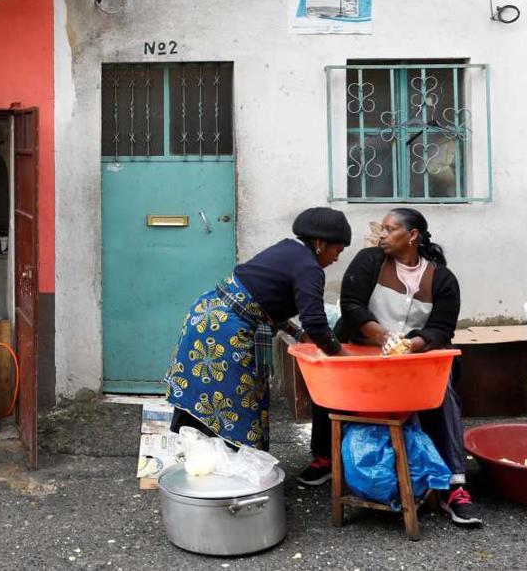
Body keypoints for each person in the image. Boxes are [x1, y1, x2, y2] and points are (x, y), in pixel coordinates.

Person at [296, 208, 481, 527]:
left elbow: (442, 327)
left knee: (443, 391)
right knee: (330, 383)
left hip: (415, 356)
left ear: (412, 236)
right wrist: (383, 337)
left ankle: (454, 484)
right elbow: (351, 306)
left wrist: (413, 345)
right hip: (362, 347)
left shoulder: (442, 278)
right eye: (381, 229)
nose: (381, 234)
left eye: (389, 229)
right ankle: (326, 457)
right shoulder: (370, 261)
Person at [165, 207, 351, 451]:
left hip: (207, 317)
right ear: (320, 243)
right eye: (337, 250)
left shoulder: (288, 249)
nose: (336, 258)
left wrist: (297, 334)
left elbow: (263, 300)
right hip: (223, 333)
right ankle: (225, 469)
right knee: (232, 403)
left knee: (209, 397)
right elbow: (315, 321)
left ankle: (206, 462)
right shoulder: (309, 267)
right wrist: (342, 357)